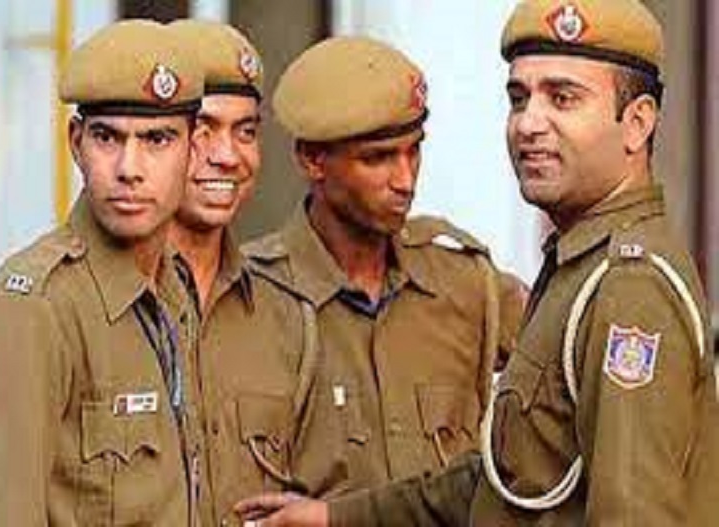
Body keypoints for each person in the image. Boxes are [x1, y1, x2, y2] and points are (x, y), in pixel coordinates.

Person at [235, 1, 719, 525]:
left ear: (637, 123)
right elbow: (504, 477)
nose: (529, 123)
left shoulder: (629, 288)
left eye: (563, 98)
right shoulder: (578, 269)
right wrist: (334, 517)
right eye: (519, 98)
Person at [0, 20, 205, 525]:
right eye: (107, 137)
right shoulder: (28, 312)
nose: (129, 168)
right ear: (76, 143)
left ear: (194, 151)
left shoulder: (171, 291)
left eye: (157, 139)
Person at [241, 35, 524, 505]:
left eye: (414, 151)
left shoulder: (467, 284)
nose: (405, 180)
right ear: (312, 159)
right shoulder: (253, 299)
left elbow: (575, 363)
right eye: (377, 158)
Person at [166, 20, 309, 526]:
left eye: (245, 132)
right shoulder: (82, 307)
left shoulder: (286, 318)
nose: (227, 156)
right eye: (203, 130)